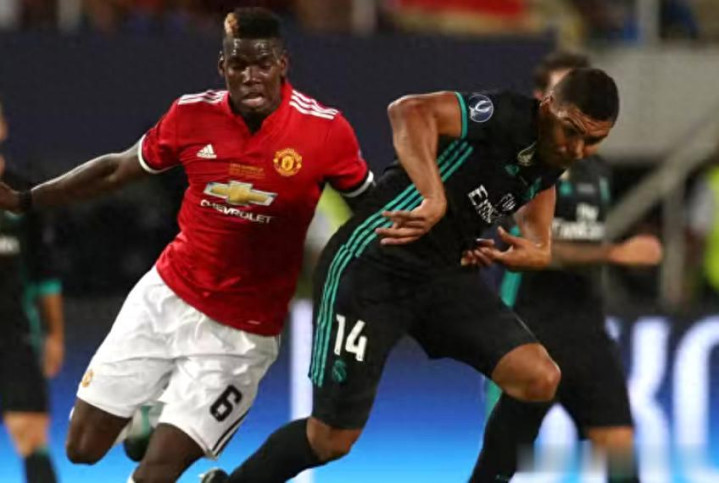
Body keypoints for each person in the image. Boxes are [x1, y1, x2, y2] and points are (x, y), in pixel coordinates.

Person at [0, 7, 374, 483]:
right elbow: (116, 169)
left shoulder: (325, 131)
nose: (251, 76)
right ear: (222, 67)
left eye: (263, 63)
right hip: (166, 298)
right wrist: (27, 200)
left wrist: (438, 247)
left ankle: (170, 422)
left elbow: (373, 206)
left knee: (155, 472)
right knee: (81, 448)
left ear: (283, 64)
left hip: (241, 335)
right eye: (238, 64)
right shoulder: (192, 115)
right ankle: (153, 411)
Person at [202, 66, 620, 483]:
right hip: (373, 264)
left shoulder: (555, 148)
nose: (578, 149)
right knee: (330, 440)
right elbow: (409, 111)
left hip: (444, 274)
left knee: (538, 378)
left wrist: (539, 242)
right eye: (572, 132)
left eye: (593, 140)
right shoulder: (505, 114)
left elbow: (541, 181)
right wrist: (432, 195)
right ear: (548, 106)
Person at [475, 51, 663, 483]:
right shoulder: (521, 165)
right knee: (502, 459)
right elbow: (533, 247)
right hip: (527, 328)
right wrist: (614, 254)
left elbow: (585, 235)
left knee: (619, 451)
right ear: (544, 100)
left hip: (586, 329)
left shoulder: (598, 170)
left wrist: (639, 244)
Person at [0, 100, 65, 483]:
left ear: (3, 127)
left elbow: (45, 273)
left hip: (15, 334)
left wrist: (55, 333)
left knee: (29, 432)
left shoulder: (25, 194)